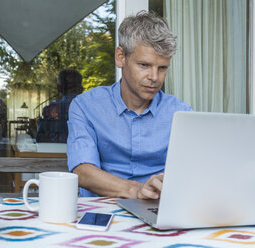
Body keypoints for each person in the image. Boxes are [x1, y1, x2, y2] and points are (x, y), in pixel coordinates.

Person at [67, 11, 192, 199]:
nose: (155, 77)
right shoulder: (86, 106)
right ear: (120, 57)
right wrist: (137, 190)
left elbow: (192, 172)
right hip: (102, 211)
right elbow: (82, 171)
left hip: (159, 209)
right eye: (144, 65)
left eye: (162, 68)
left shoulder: (181, 113)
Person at [36, 68, 83, 143]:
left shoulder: (51, 109)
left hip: (56, 153)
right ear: (80, 87)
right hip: (82, 152)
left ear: (59, 87)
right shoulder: (87, 108)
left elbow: (40, 139)